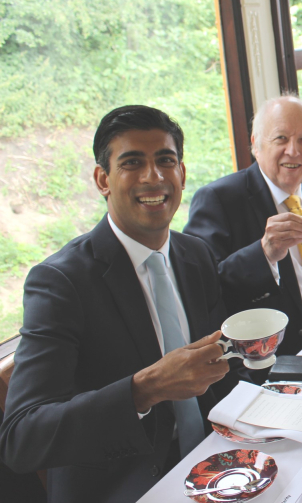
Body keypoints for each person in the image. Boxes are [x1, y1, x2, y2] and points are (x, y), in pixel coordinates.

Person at [0, 106, 236, 503]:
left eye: (166, 160)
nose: (153, 177)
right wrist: (144, 389)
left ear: (182, 173)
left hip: (211, 460)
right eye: (132, 163)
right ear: (102, 179)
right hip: (121, 482)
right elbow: (23, 437)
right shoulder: (60, 282)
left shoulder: (196, 255)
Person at [184, 95, 302, 358]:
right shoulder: (219, 200)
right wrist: (264, 253)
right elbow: (201, 290)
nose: (293, 151)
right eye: (281, 138)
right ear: (256, 145)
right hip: (285, 358)